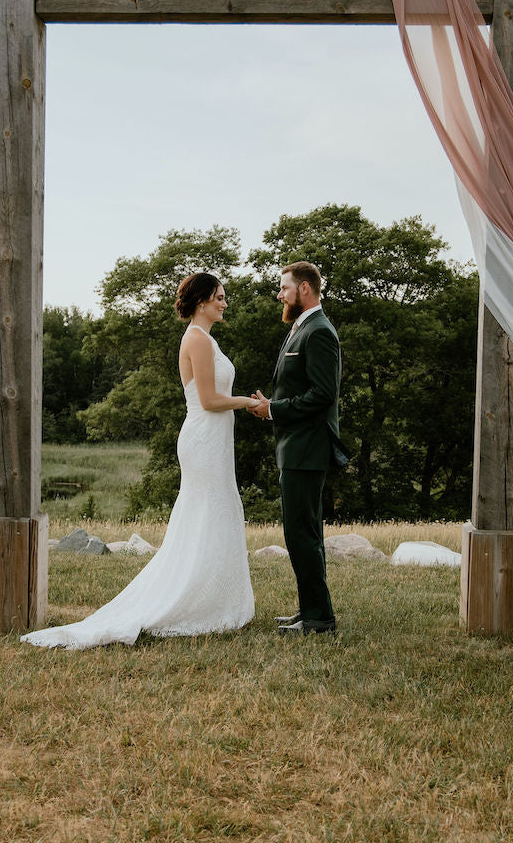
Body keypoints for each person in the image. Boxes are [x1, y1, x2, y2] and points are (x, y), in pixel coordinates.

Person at [21, 273, 257, 649]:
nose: (225, 303)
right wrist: (248, 402)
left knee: (217, 510)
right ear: (201, 302)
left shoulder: (207, 339)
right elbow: (210, 400)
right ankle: (189, 599)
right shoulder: (196, 339)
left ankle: (213, 596)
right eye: (219, 297)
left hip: (215, 439)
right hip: (203, 436)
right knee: (207, 510)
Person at [250, 262, 346, 636]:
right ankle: (311, 610)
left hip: (308, 449)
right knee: (303, 532)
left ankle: (319, 620)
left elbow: (323, 395)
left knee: (301, 533)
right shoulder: (302, 326)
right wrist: (271, 404)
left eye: (284, 288)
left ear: (304, 288)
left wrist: (273, 409)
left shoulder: (320, 331)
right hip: (295, 447)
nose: (280, 294)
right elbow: (296, 386)